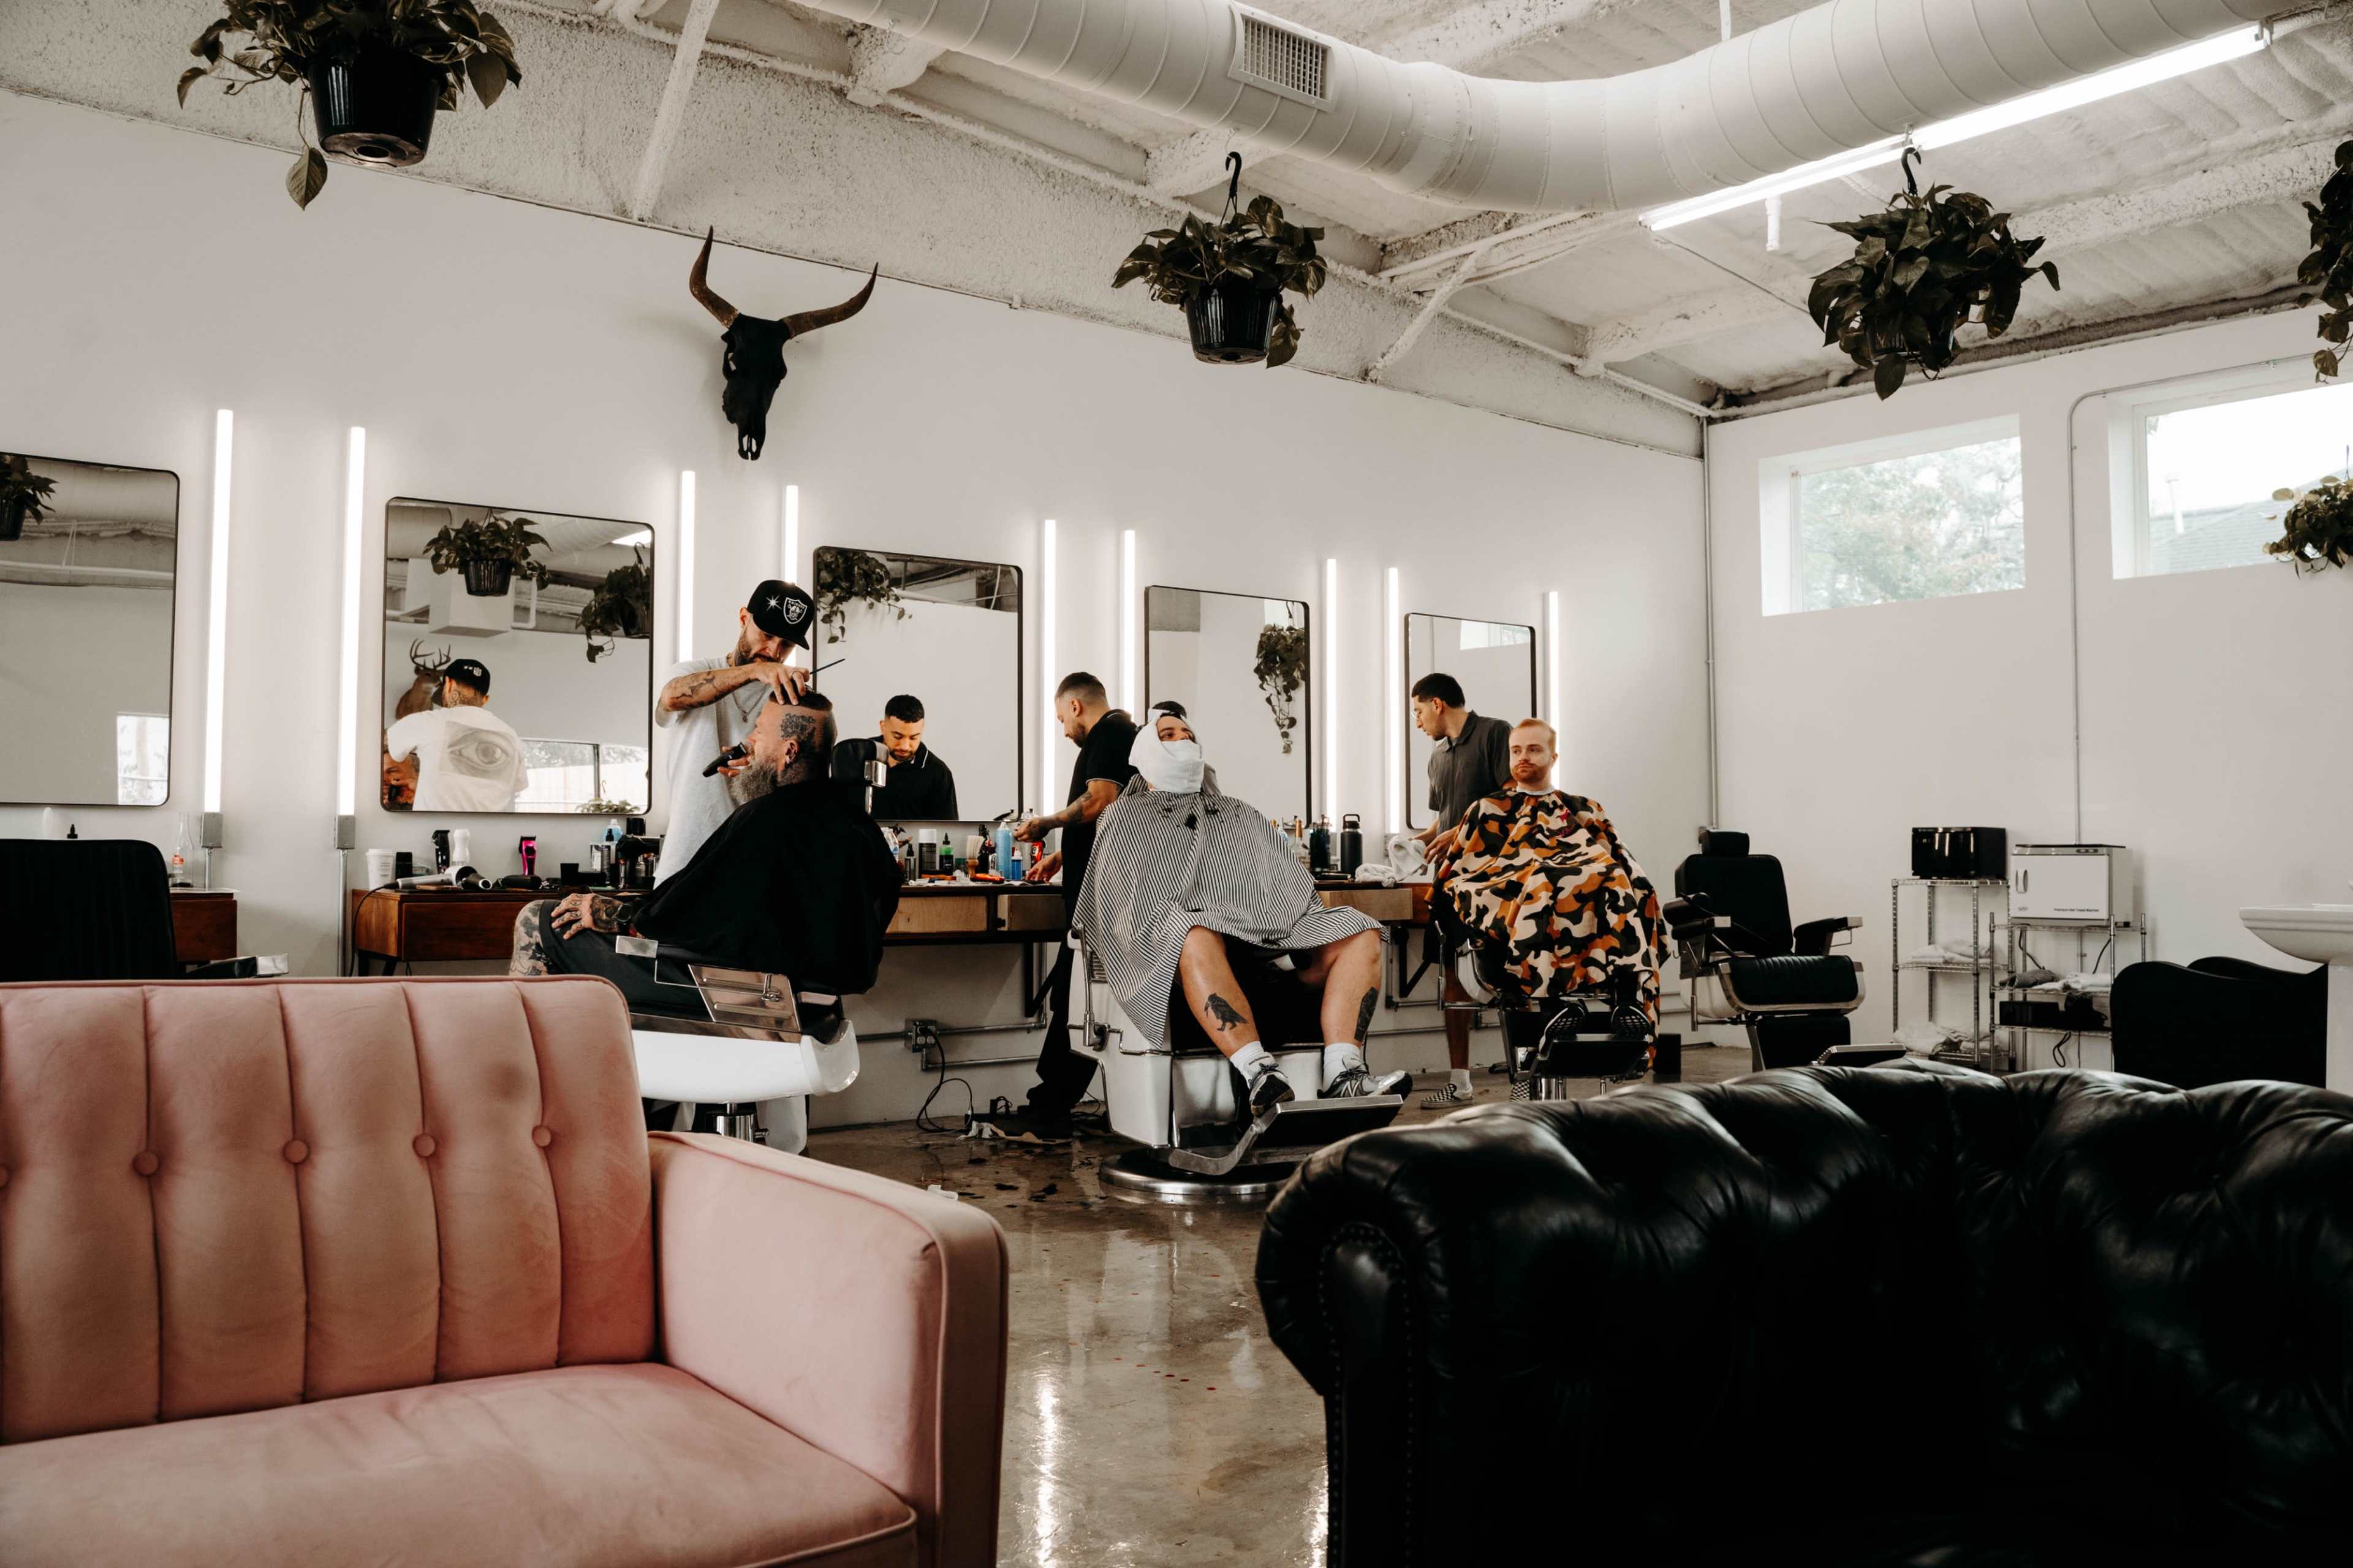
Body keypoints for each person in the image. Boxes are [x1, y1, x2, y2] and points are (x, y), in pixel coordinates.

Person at [1075, 706, 1409, 1112]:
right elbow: (1125, 910)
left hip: (1265, 954)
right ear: (1145, 752)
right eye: (1168, 734)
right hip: (1183, 962)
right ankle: (1259, 1073)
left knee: (1359, 929)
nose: (1182, 739)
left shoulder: (1238, 813)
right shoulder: (1124, 817)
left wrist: (1273, 934)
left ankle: (1345, 1073)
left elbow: (1287, 887)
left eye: (1187, 733)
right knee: (1192, 929)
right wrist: (1201, 917)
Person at [510, 690, 900, 1006]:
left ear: (790, 751)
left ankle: (527, 1085)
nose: (749, 743)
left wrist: (613, 910)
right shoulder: (865, 831)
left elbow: (679, 918)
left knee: (538, 918)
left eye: (760, 733)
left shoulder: (764, 818)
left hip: (736, 997)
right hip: (812, 1003)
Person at [1430, 718, 1664, 1020]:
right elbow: (1459, 875)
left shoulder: (1583, 809)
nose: (1523, 757)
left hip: (1582, 899)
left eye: (1534, 749)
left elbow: (1617, 859)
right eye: (1516, 751)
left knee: (1618, 877)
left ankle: (1627, 1001)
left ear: (1553, 758)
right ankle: (1555, 1007)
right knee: (1541, 880)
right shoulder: (1487, 809)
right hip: (1516, 896)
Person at [995, 672, 1140, 1137]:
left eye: (1061, 718)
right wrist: (1061, 854)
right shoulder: (1112, 736)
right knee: (1074, 999)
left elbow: (1102, 801)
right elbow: (1109, 819)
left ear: (1076, 707)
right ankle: (1049, 1103)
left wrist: (1045, 823)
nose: (1062, 730)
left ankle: (1050, 1107)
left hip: (1104, 900)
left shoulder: (1112, 731)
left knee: (1079, 1001)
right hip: (1096, 895)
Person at [653, 579, 816, 885]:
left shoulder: (794, 697)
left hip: (756, 868)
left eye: (787, 644)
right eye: (766, 635)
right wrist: (755, 671)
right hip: (684, 861)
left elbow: (807, 785)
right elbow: (672, 697)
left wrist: (766, 762)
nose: (773, 651)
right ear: (744, 619)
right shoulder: (689, 673)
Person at [1409, 672, 1514, 1107]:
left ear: (1437, 704)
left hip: (1496, 880)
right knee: (1451, 975)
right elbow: (1443, 820)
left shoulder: (1496, 733)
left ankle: (1525, 1076)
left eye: (1418, 711)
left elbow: (1512, 799)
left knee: (1510, 977)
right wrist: (1415, 841)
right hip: (1451, 882)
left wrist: (1462, 830)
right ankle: (1460, 1081)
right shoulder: (1437, 757)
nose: (1417, 722)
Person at [382, 657, 528, 812]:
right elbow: (517, 785)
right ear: (485, 699)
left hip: (432, 832)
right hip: (490, 833)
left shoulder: (427, 721)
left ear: (449, 684)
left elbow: (386, 748)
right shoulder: (511, 736)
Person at [830, 694, 958, 819]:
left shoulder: (938, 773)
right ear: (883, 727)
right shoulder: (856, 756)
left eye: (914, 738)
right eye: (898, 736)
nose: (905, 746)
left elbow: (947, 831)